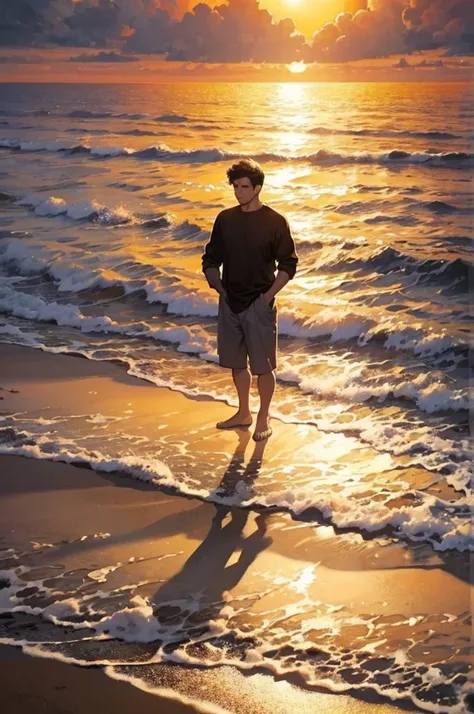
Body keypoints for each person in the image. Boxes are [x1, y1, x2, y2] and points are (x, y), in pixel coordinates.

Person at [202, 158, 298, 442]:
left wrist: (267, 297)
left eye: (244, 186)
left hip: (258, 304)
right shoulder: (225, 219)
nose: (238, 192)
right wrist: (218, 287)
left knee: (263, 366)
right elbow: (211, 257)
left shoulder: (275, 222)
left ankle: (263, 416)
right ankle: (243, 412)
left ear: (257, 188)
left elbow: (289, 265)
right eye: (235, 186)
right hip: (230, 302)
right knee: (236, 364)